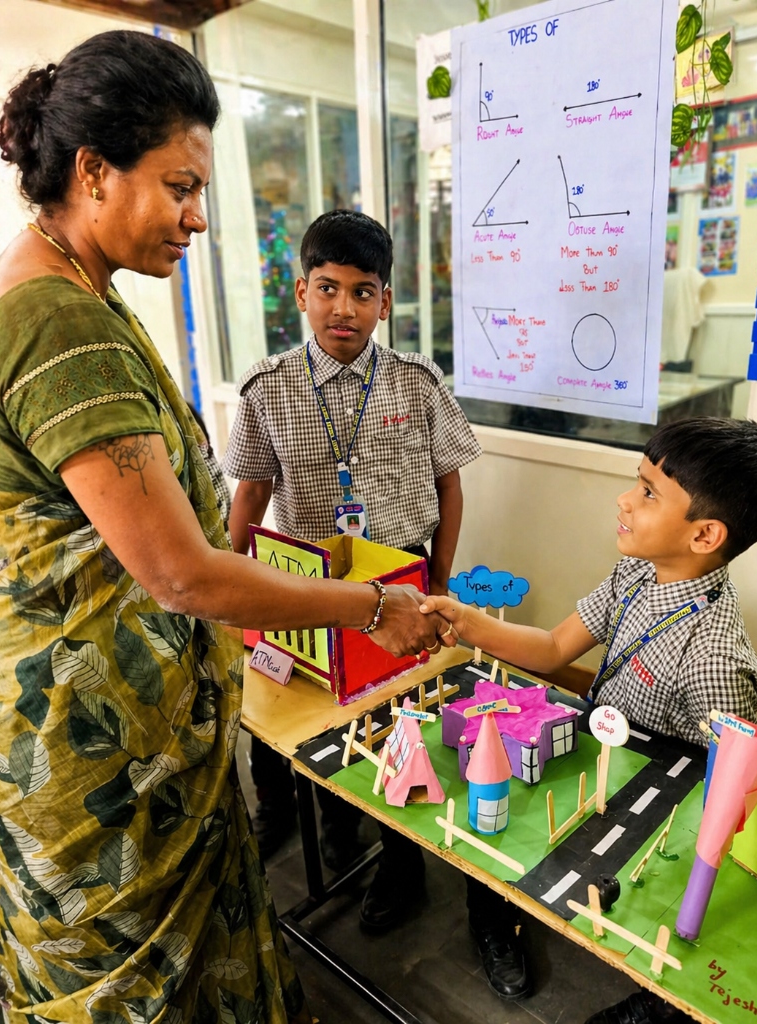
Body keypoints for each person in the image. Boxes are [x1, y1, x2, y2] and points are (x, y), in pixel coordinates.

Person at [0, 32, 454, 1024]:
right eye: (180, 185)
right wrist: (375, 604)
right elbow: (186, 574)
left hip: (142, 736)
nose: (200, 217)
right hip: (103, 763)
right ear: (93, 171)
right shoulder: (57, 323)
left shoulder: (76, 294)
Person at [224, 210, 532, 1000]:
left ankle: (402, 866)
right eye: (327, 289)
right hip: (313, 589)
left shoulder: (418, 383)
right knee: (324, 723)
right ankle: (338, 834)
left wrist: (438, 580)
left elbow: (448, 485)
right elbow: (252, 494)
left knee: (408, 718)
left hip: (406, 589)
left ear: (385, 302)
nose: (343, 309)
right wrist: (234, 586)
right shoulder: (267, 388)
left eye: (362, 293)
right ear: (300, 290)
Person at [421, 416, 757, 1024]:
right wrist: (464, 619)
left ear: (704, 535)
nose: (625, 498)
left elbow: (724, 794)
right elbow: (550, 647)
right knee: (491, 808)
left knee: (656, 916)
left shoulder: (719, 658)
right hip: (588, 759)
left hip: (651, 809)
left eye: (648, 491)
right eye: (636, 482)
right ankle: (491, 919)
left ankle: (652, 1006)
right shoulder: (634, 574)